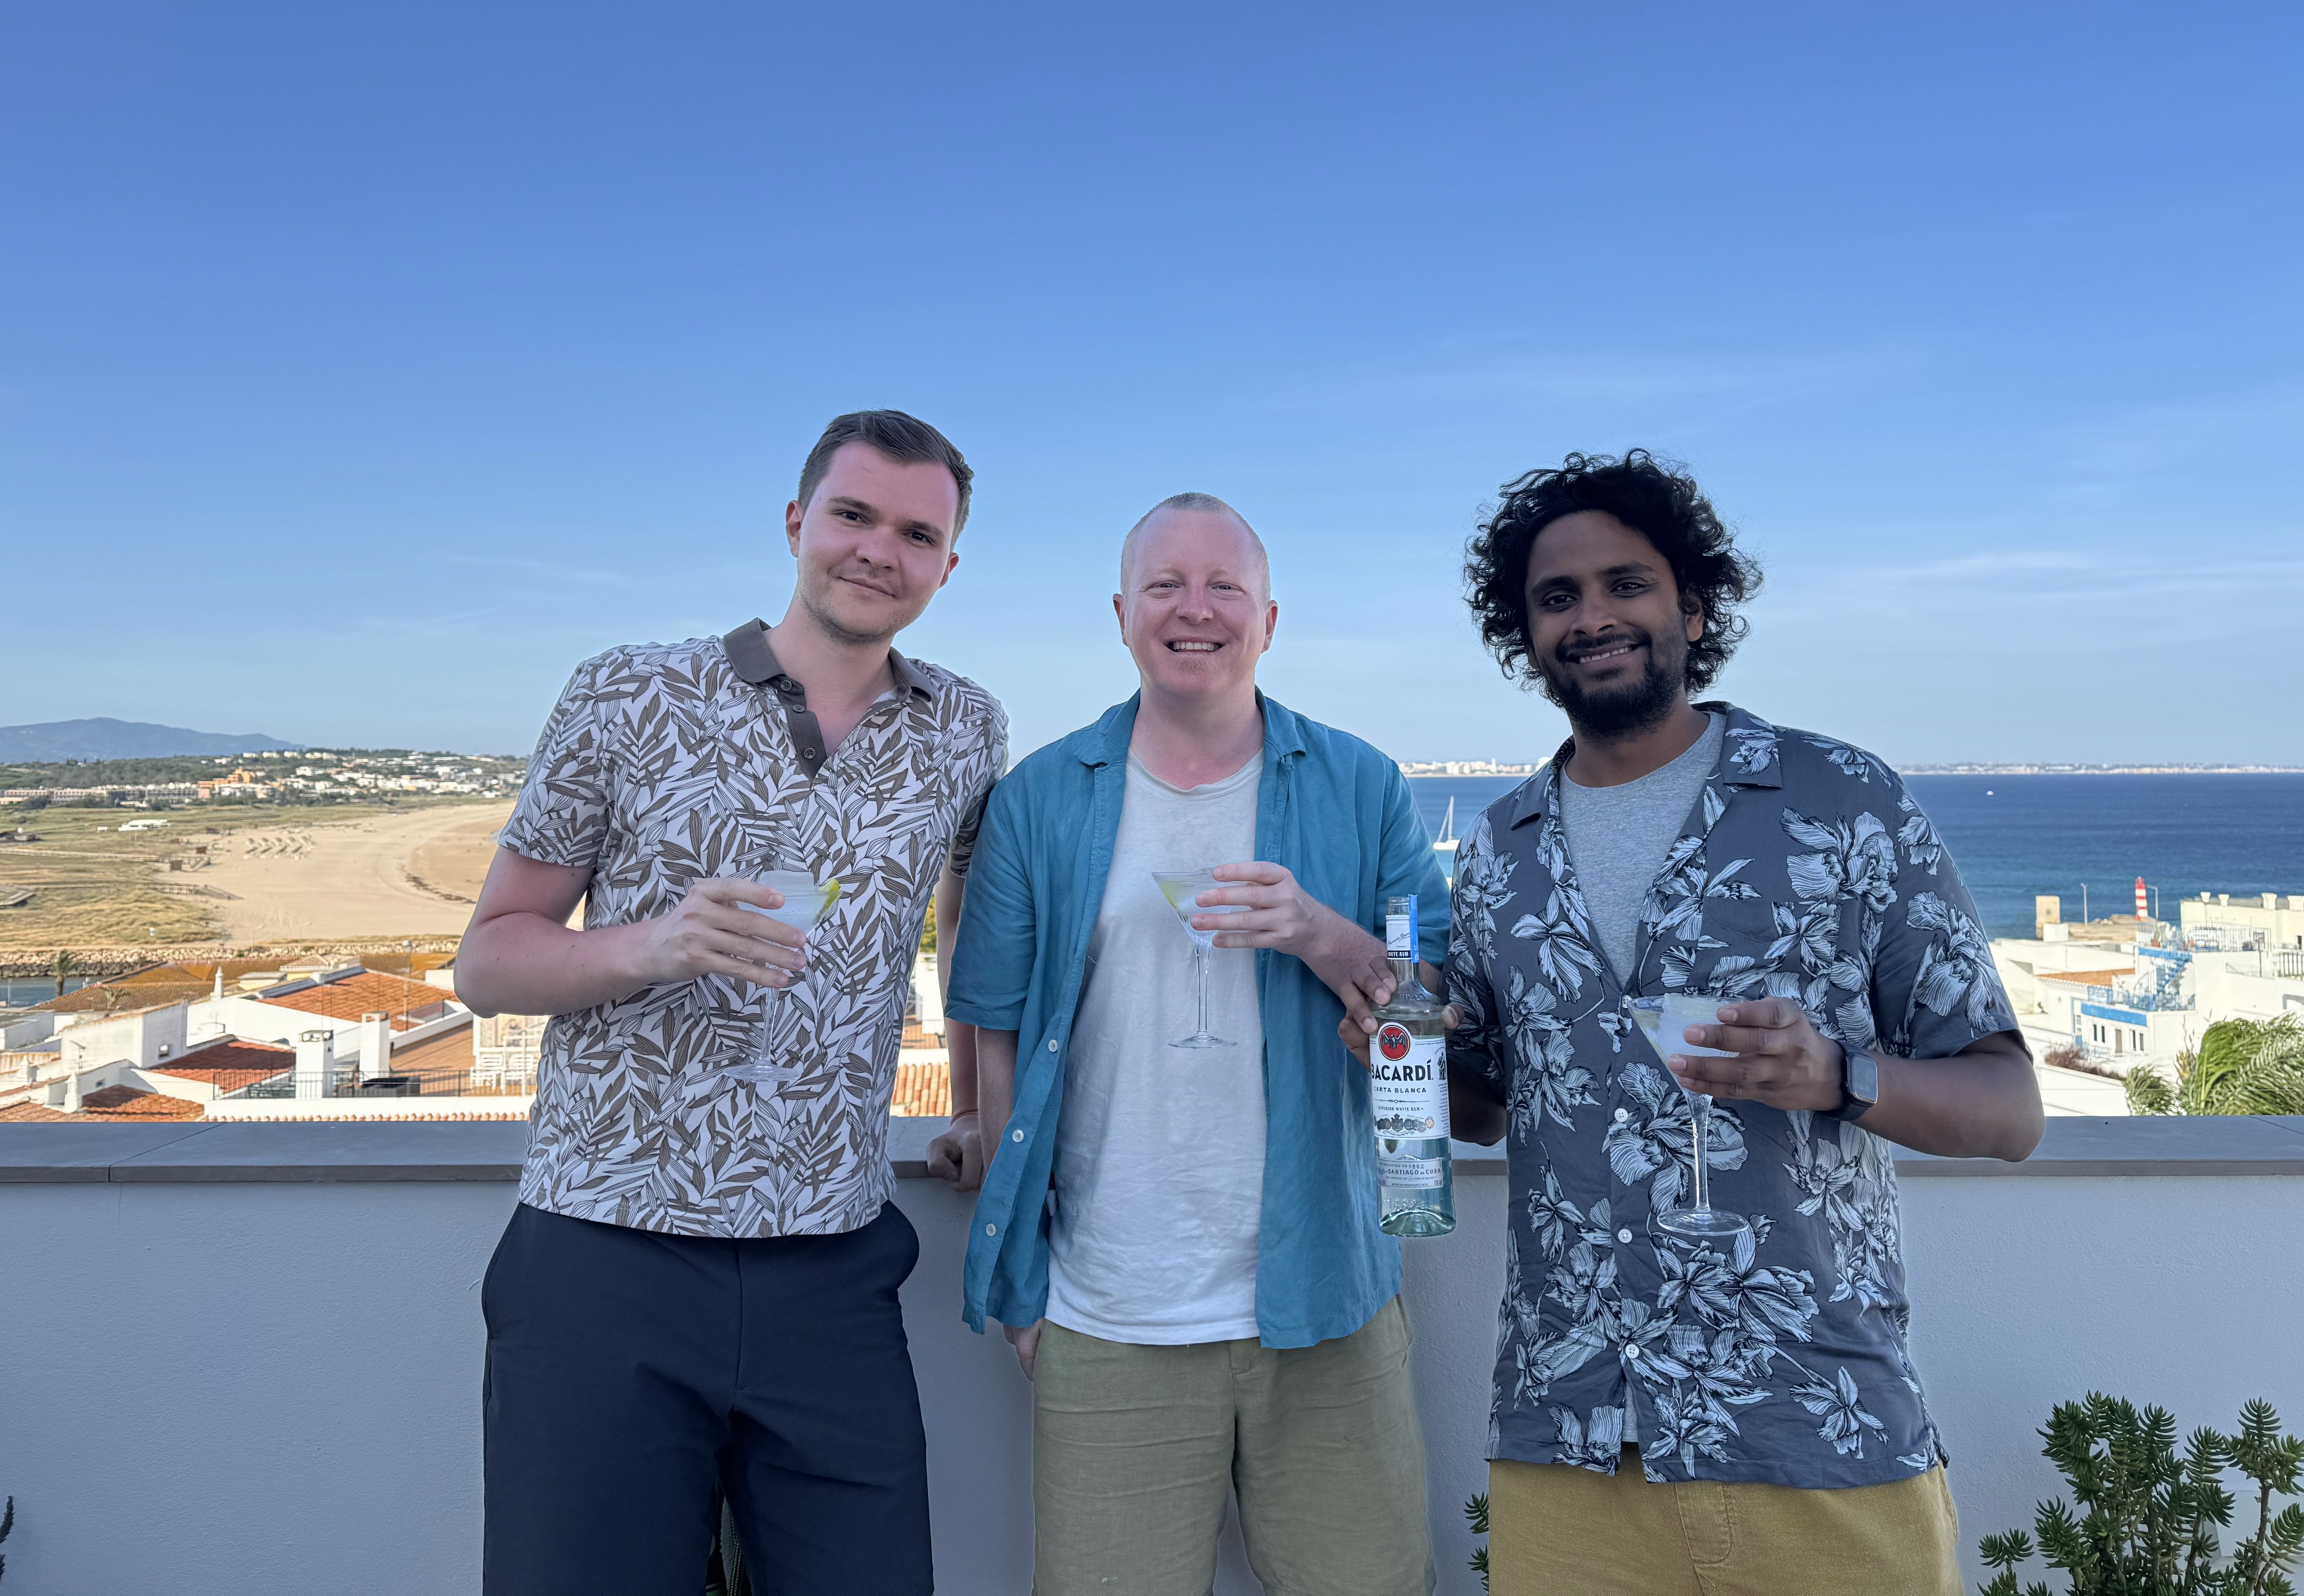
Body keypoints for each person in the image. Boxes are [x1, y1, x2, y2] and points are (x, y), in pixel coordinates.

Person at [1403, 450, 2042, 1596]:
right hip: (1568, 1449)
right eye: (1558, 597)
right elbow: (1486, 1110)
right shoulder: (1499, 851)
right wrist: (1397, 1045)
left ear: (1694, 607)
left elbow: (2010, 1110)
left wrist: (1837, 1073)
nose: (1593, 617)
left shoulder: (1841, 801)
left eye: (1626, 584)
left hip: (1817, 1434)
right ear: (1527, 635)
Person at [456, 409, 1007, 1596]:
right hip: (607, 1251)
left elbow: (966, 918)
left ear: (947, 566)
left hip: (836, 1259)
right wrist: (655, 943)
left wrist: (971, 1105)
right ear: (797, 521)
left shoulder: (965, 729)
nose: (879, 550)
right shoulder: (628, 691)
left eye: (917, 534)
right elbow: (489, 960)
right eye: (853, 515)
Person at [946, 492, 1448, 1596]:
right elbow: (995, 1026)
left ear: (1269, 622)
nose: (1196, 608)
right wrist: (1023, 1289)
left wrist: (1317, 933)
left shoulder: (1361, 782)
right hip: (1106, 1311)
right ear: (1122, 615)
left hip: (1330, 1304)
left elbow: (1436, 1009)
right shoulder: (1041, 797)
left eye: (1226, 586)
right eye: (1166, 585)